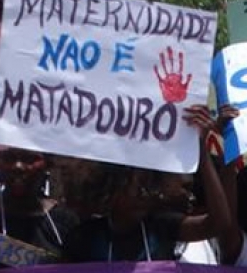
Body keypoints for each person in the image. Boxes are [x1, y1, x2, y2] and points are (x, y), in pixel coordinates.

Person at [64, 105, 231, 263]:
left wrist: (200, 149)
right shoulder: (84, 238)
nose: (144, 191)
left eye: (148, 182)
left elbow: (219, 223)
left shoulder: (160, 227)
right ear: (111, 188)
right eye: (132, 183)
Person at [0, 149, 79, 261]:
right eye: (9, 157)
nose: (18, 166)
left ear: (47, 164)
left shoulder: (64, 220)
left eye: (29, 159)